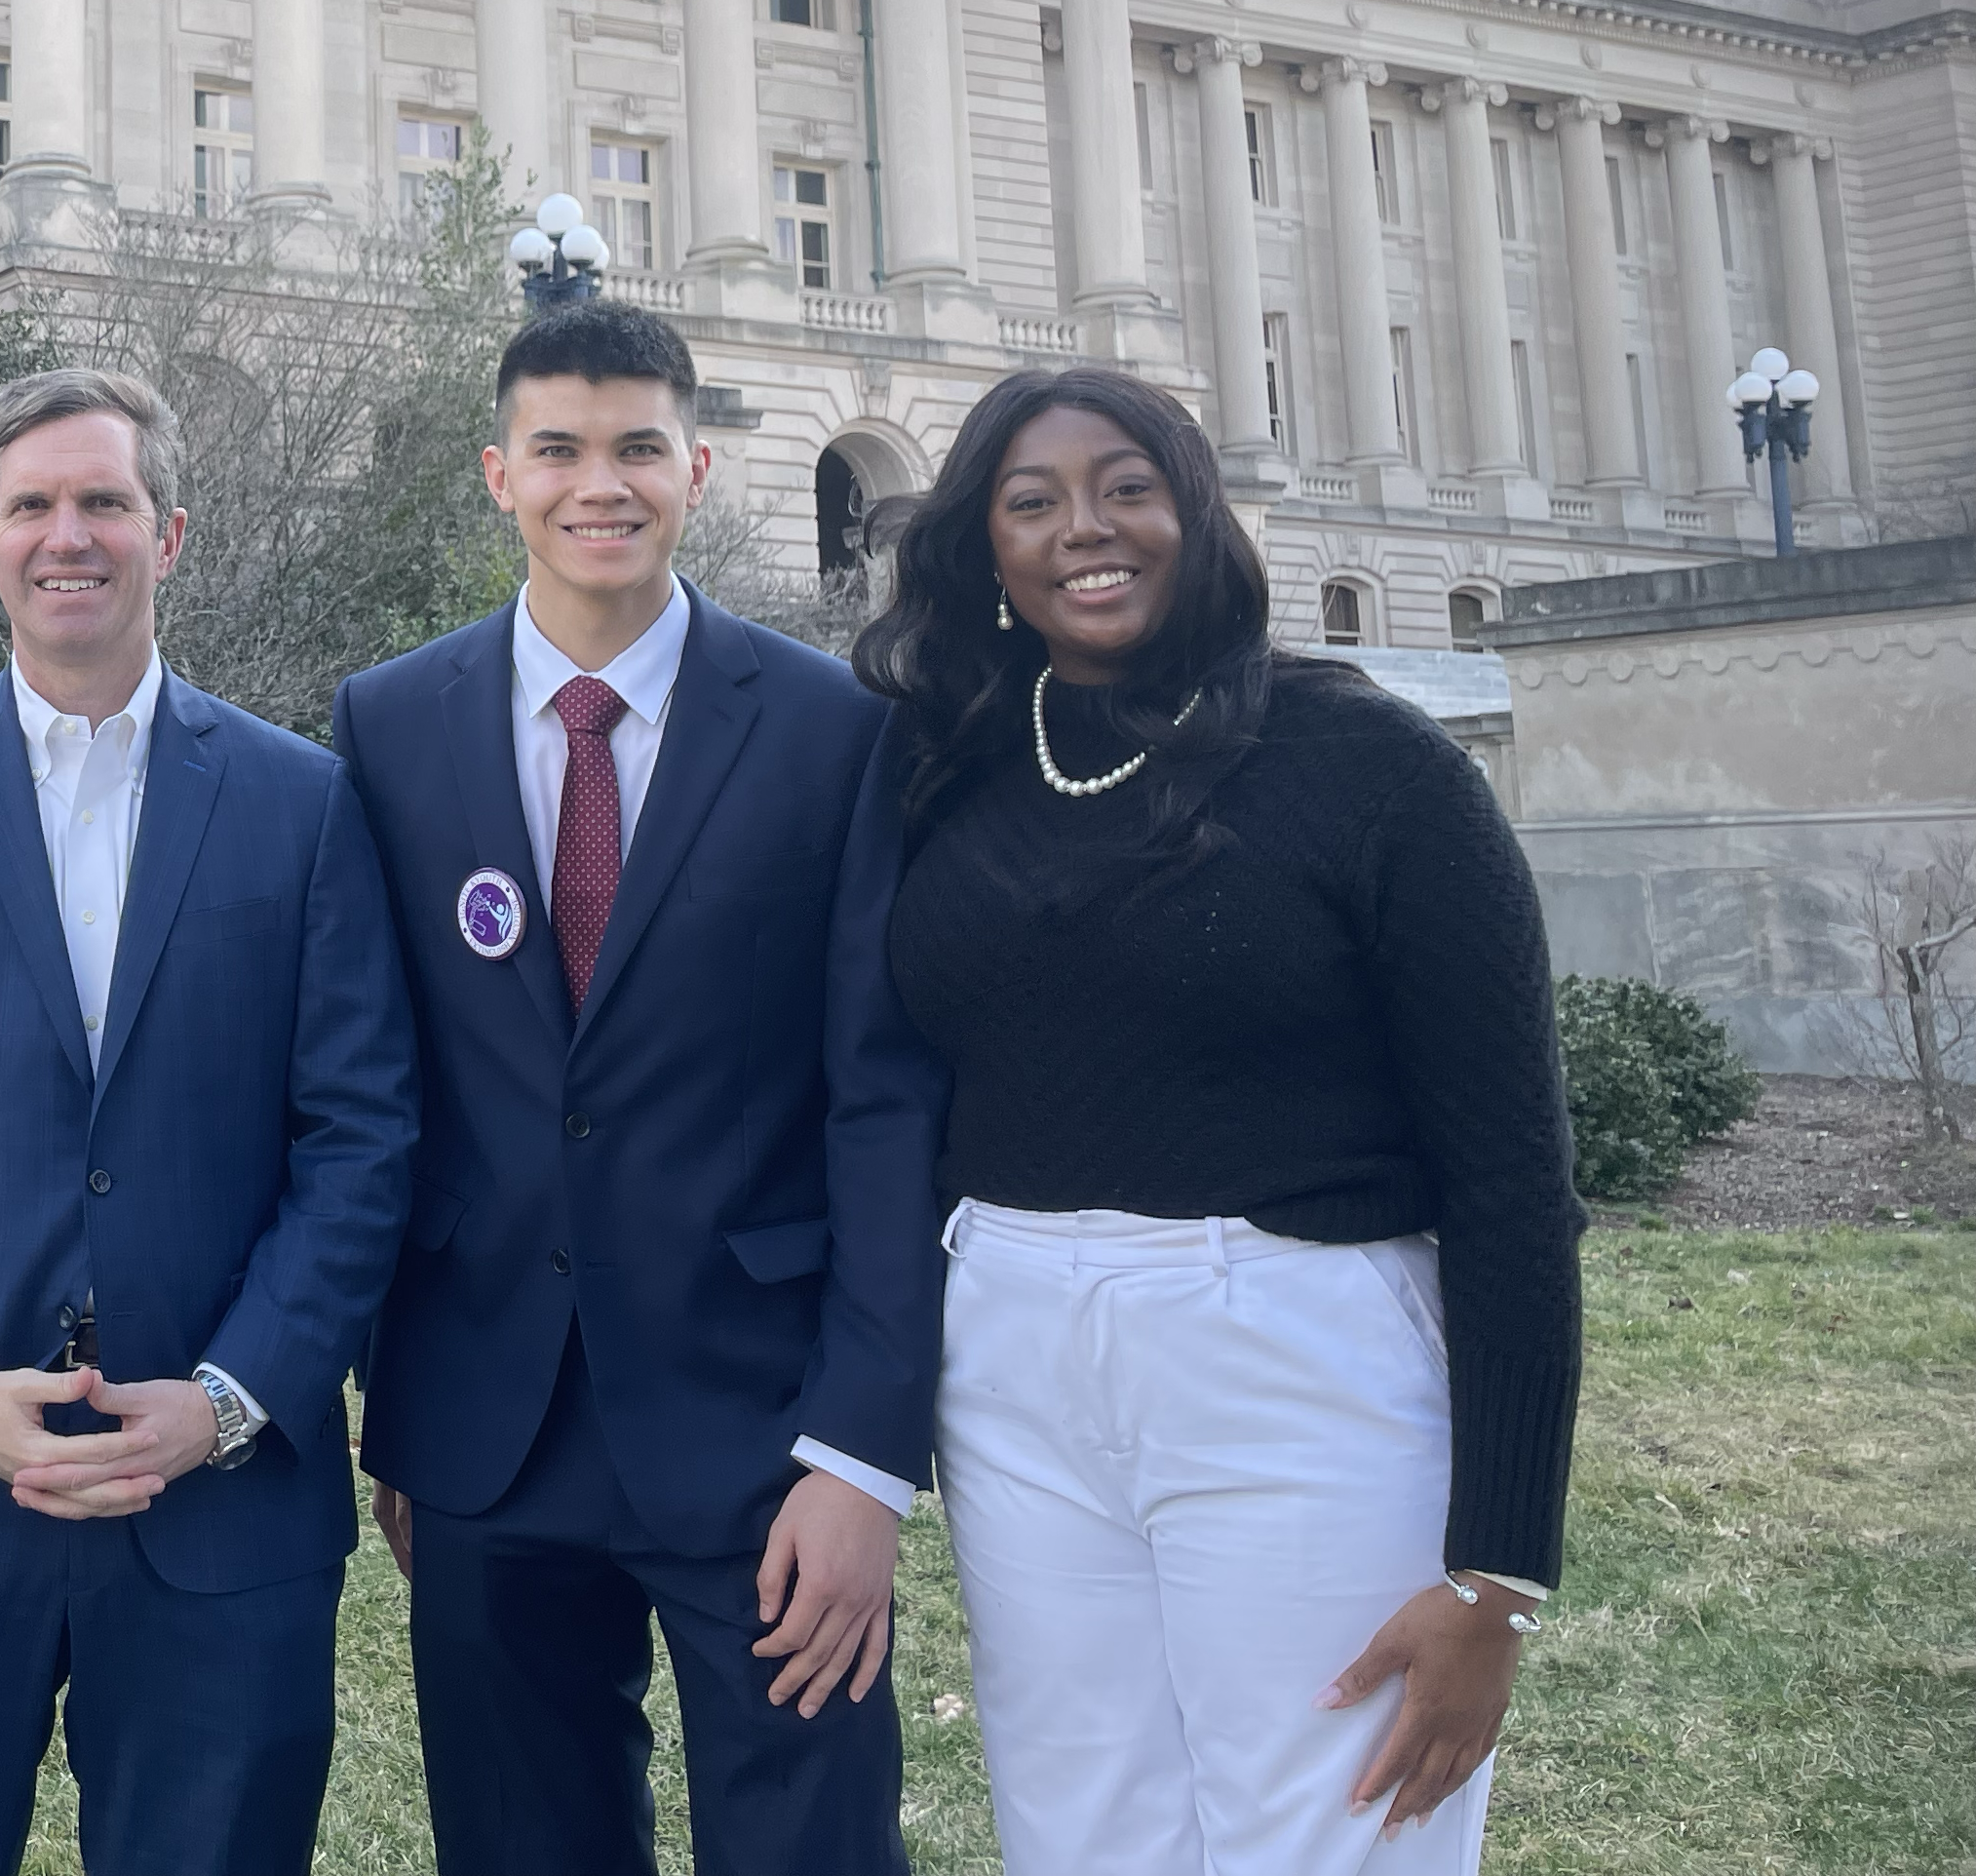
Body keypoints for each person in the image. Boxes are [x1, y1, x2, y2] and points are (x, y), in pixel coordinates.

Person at [860, 367, 1583, 1876]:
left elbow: (1513, 1178)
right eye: (1033, 500)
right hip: (1010, 1365)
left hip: (1296, 1355)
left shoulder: (1372, 767)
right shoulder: (949, 763)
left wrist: (1500, 1572)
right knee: (1081, 1833)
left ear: (1197, 508)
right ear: (982, 549)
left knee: (1326, 1833)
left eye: (1127, 486)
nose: (1085, 530)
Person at [0, 369, 415, 1876]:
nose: (71, 534)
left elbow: (361, 1139)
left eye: (104, 500)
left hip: (220, 1507)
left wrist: (232, 1397)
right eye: (34, 505)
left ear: (170, 532)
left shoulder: (301, 801)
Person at [330, 298, 945, 1876]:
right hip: (488, 1427)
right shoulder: (389, 728)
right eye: (558, 449)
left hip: (763, 1424)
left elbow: (882, 1100)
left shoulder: (833, 733)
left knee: (807, 1845)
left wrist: (865, 1455)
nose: (596, 483)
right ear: (497, 471)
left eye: (636, 448)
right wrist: (395, 1415)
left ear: (698, 465)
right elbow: (375, 1088)